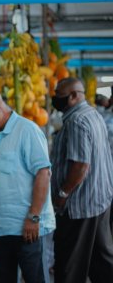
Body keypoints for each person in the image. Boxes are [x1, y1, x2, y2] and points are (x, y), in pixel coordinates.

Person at [0, 89, 55, 283]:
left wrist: (34, 217)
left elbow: (43, 173)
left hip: (26, 228)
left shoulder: (27, 130)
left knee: (34, 278)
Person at [50, 78, 113, 283]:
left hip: (80, 206)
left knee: (69, 267)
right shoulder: (93, 114)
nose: (55, 99)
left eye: (59, 95)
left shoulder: (76, 121)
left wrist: (62, 193)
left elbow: (80, 165)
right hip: (99, 200)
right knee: (101, 261)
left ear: (74, 96)